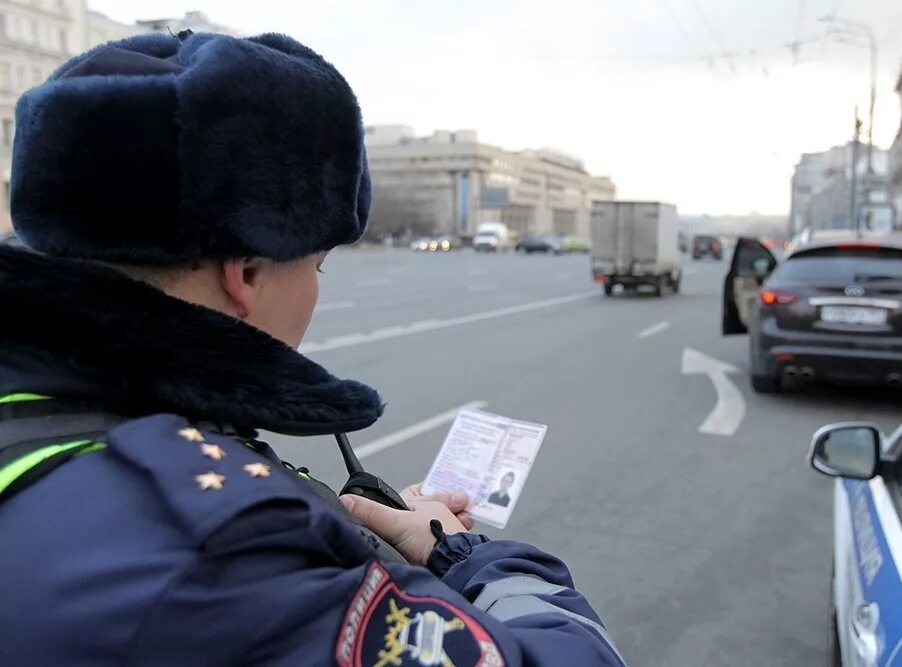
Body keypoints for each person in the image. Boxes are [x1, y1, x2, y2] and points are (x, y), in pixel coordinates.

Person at [0, 32, 624, 666]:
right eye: (317, 264)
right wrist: (461, 554)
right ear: (244, 272)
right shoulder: (226, 550)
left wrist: (366, 531)